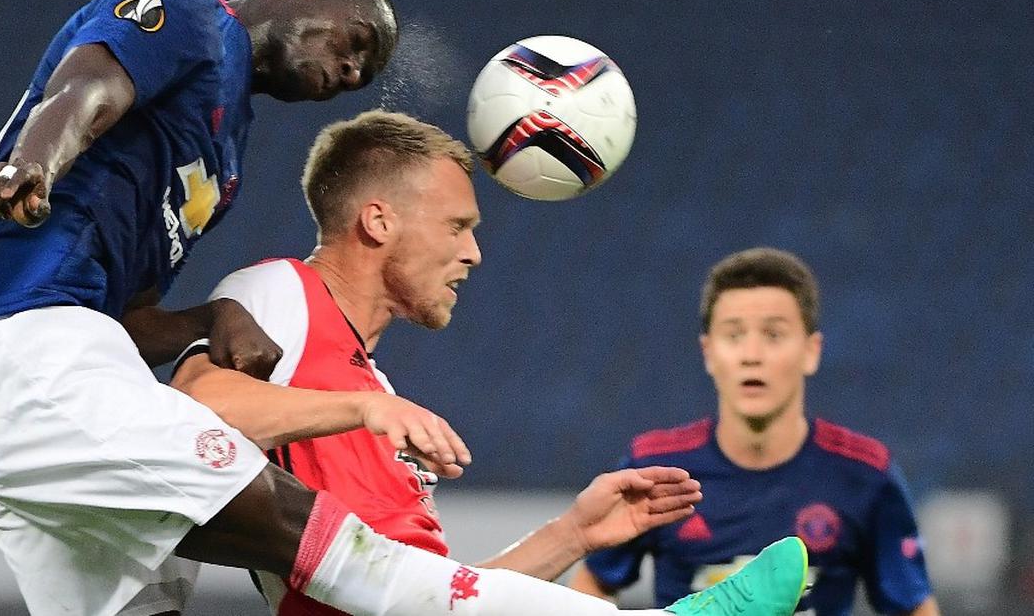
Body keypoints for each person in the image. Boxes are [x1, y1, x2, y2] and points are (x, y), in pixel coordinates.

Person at [0, 0, 504, 616]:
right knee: (316, 535)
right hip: (15, 347)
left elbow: (130, 323)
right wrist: (37, 162)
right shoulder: (191, 12)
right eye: (353, 41)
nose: (347, 71)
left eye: (360, 74)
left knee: (157, 604)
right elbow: (88, 87)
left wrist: (208, 319)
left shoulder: (221, 167)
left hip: (32, 379)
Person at [170, 110, 813, 616]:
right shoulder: (281, 290)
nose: (473, 253)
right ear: (378, 221)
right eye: (457, 226)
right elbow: (193, 410)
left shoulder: (371, 382)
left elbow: (437, 596)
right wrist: (363, 408)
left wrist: (574, 535)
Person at [568, 248, 939, 615]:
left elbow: (914, 608)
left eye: (773, 335)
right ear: (709, 353)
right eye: (734, 336)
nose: (751, 354)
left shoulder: (865, 475)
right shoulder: (655, 467)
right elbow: (593, 585)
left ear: (811, 351)